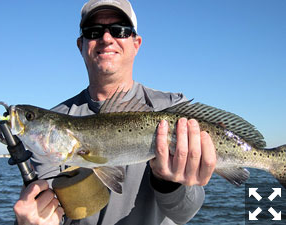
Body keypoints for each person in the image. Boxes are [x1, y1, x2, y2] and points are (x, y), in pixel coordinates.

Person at [13, 0, 217, 224]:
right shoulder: (54, 127)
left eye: (120, 30)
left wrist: (168, 181)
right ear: (81, 44)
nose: (107, 38)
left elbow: (185, 213)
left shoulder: (175, 110)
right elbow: (46, 211)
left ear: (136, 43)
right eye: (94, 31)